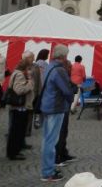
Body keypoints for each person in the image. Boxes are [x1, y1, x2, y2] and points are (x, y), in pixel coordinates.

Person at [40, 44, 75, 182]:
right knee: (51, 141)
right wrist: (71, 96)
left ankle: (47, 169)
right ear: (63, 56)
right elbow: (66, 90)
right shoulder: (59, 70)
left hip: (48, 105)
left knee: (47, 139)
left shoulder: (50, 65)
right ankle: (47, 172)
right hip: (56, 107)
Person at [6, 57, 34, 160]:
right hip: (19, 107)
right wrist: (30, 83)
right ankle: (13, 152)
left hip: (19, 107)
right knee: (16, 131)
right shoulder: (19, 75)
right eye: (29, 68)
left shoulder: (17, 73)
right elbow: (19, 90)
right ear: (25, 67)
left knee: (17, 130)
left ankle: (15, 150)